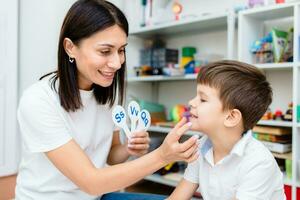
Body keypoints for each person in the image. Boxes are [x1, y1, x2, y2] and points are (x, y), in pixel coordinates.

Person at [15, 1, 200, 199]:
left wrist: (128, 148)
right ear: (70, 47)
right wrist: (163, 155)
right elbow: (91, 182)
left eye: (121, 50)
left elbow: (110, 156)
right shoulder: (38, 101)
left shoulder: (104, 91)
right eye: (105, 51)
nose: (117, 63)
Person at [168, 60, 285, 200]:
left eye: (203, 99)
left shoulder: (258, 162)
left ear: (231, 117)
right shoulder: (200, 147)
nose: (191, 102)